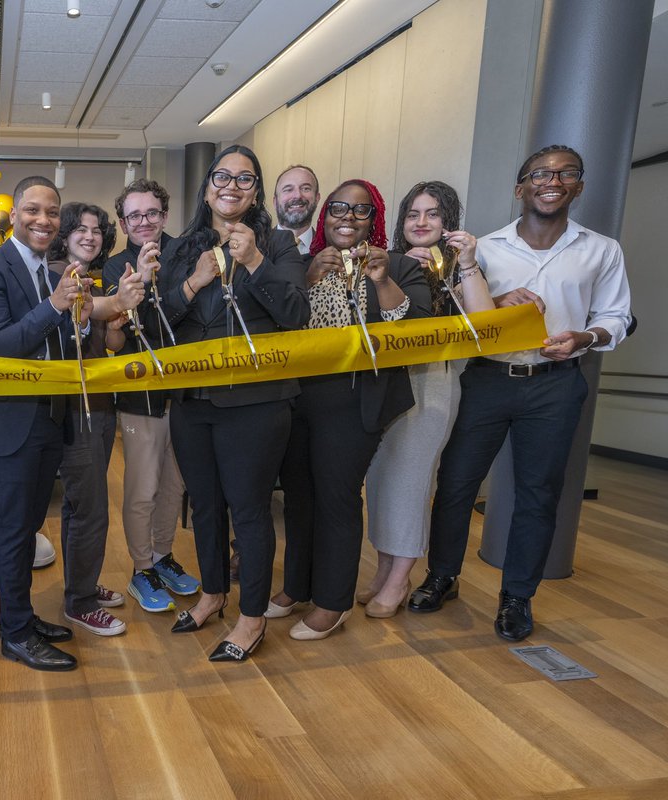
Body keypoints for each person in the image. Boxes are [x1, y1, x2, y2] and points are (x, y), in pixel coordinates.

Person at [415, 145, 632, 641]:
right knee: (455, 485)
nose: (551, 181)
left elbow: (615, 317)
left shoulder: (602, 250)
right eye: (540, 174)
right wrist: (496, 303)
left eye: (565, 174)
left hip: (555, 387)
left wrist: (585, 338)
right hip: (487, 380)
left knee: (537, 495)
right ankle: (442, 576)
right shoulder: (484, 248)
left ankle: (517, 597)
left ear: (578, 186)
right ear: (521, 187)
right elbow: (464, 318)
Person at [161, 144, 310, 662]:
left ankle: (251, 617)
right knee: (204, 505)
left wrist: (255, 263)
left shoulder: (281, 245)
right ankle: (212, 593)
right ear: (206, 188)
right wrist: (193, 282)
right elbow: (160, 323)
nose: (231, 185)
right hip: (192, 400)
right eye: (221, 176)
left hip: (256, 404)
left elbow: (296, 318)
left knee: (248, 510)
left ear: (256, 191)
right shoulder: (181, 248)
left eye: (245, 179)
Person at [269, 179, 432, 641]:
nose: (347, 217)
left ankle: (333, 602)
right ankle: (297, 587)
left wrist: (382, 280)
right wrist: (303, 280)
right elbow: (276, 322)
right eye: (338, 208)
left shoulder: (401, 264)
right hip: (298, 397)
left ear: (374, 219)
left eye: (360, 211)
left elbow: (416, 331)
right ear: (325, 215)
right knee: (299, 496)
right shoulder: (300, 263)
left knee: (336, 497)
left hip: (356, 401)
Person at [0, 175, 93, 671]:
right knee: (13, 532)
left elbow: (58, 341)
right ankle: (14, 633)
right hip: (8, 423)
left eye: (52, 212)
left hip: (50, 418)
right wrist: (56, 305)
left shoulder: (55, 269)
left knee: (32, 526)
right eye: (33, 210)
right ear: (13, 214)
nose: (44, 220)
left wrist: (75, 318)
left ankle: (23, 616)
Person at [358, 181, 494, 617]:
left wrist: (459, 267)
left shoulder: (461, 264)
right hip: (383, 381)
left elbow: (485, 323)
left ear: (449, 220)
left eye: (432, 214)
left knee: (411, 482)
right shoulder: (389, 261)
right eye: (413, 214)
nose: (421, 222)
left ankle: (400, 578)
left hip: (432, 381)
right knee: (380, 479)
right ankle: (383, 570)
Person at [102, 179, 200, 613]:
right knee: (142, 488)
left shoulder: (188, 255)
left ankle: (163, 557)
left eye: (152, 214)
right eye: (135, 216)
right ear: (123, 222)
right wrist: (141, 280)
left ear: (165, 215)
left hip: (185, 395)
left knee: (175, 487)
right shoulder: (113, 268)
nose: (144, 222)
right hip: (139, 397)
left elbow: (192, 323)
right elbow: (123, 335)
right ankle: (142, 567)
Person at [46, 201, 128, 636]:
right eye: (80, 228)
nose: (90, 236)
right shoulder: (60, 275)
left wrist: (114, 323)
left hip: (99, 402)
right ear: (64, 234)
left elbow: (103, 340)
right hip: (77, 410)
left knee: (84, 506)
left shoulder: (93, 279)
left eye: (97, 230)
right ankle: (80, 601)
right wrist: (114, 302)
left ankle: (83, 585)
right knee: (90, 509)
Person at [272, 165, 322, 253]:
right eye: (288, 189)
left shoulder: (327, 249)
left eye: (306, 189)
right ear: (275, 202)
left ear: (317, 198)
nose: (297, 195)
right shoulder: (256, 247)